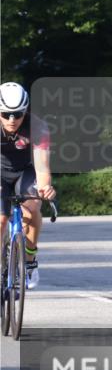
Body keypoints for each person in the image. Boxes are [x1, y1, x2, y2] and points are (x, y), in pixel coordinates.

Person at [0, 82, 56, 289]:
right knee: (1, 219)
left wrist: (44, 187)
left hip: (25, 171)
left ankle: (30, 260)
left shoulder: (37, 127)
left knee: (33, 208)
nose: (12, 120)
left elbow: (42, 168)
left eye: (18, 114)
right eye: (6, 114)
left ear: (26, 110)